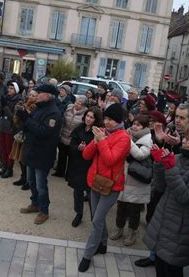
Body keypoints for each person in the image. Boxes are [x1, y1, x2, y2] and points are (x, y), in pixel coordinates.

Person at [143, 123, 189, 277]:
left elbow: (185, 196)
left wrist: (170, 167)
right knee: (160, 264)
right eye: (185, 138)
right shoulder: (178, 157)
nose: (185, 142)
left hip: (181, 226)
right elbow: (161, 186)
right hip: (164, 218)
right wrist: (159, 163)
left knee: (172, 269)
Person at [78, 103, 131, 272]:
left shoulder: (124, 138)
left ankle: (87, 254)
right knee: (96, 217)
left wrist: (101, 141)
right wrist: (95, 141)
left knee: (97, 220)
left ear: (120, 121)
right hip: (95, 181)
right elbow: (86, 155)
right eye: (106, 118)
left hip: (111, 186)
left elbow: (110, 159)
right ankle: (103, 243)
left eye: (112, 120)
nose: (107, 122)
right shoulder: (102, 133)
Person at [17, 84, 62, 225]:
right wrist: (23, 117)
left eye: (40, 93)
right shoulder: (39, 108)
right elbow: (31, 126)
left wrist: (27, 119)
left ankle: (44, 211)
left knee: (41, 185)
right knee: (31, 181)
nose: (37, 95)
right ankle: (34, 203)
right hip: (32, 151)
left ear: (48, 95)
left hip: (43, 154)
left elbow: (42, 132)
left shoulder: (53, 113)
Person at [110, 115, 153, 246]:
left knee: (134, 210)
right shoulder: (128, 134)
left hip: (136, 181)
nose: (135, 126)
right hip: (123, 177)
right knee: (121, 207)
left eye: (139, 125)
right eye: (134, 123)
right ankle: (119, 229)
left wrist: (129, 141)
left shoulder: (147, 140)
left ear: (145, 127)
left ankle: (132, 233)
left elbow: (140, 155)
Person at [66, 107, 103, 227]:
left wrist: (87, 149)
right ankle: (79, 213)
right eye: (87, 116)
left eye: (92, 117)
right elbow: (71, 145)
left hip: (90, 167)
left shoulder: (97, 132)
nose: (88, 119)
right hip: (76, 165)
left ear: (96, 119)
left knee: (91, 194)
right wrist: (78, 148)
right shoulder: (79, 128)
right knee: (77, 192)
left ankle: (95, 217)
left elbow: (99, 150)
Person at [53, 96, 88, 178]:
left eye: (79, 104)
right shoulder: (69, 108)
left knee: (72, 158)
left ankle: (69, 175)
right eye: (76, 102)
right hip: (64, 134)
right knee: (62, 155)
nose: (77, 104)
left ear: (83, 106)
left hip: (74, 139)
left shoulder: (85, 113)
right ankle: (59, 172)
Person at [12, 89, 38, 190]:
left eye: (33, 95)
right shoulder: (24, 105)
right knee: (20, 157)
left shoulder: (36, 108)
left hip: (29, 135)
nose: (30, 97)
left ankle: (28, 180)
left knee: (27, 159)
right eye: (30, 95)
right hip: (21, 133)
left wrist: (26, 114)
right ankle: (23, 177)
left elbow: (32, 121)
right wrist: (18, 115)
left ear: (37, 97)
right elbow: (16, 120)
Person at [0, 81, 22, 178]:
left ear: (16, 90)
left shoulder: (19, 100)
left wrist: (5, 106)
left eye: (12, 88)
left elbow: (14, 117)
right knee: (2, 149)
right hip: (2, 126)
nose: (9, 90)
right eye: (9, 88)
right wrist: (1, 104)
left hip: (10, 128)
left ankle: (9, 169)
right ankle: (4, 167)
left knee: (9, 150)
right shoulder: (6, 98)